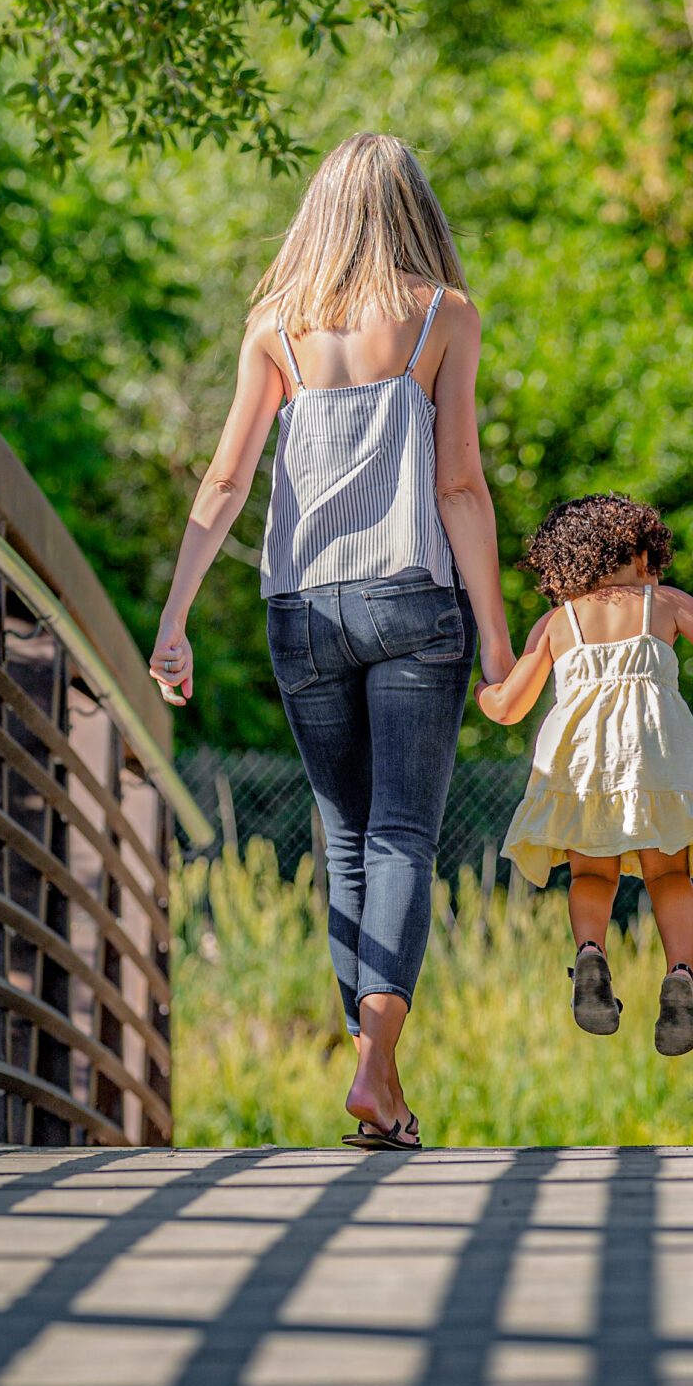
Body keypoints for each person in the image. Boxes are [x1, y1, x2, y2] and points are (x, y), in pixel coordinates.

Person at [150, 132, 514, 1154]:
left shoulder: (276, 325)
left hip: (301, 610)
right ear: (416, 212)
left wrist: (174, 620)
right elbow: (458, 485)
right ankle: (378, 1063)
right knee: (401, 833)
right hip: (411, 600)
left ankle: (374, 1075)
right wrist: (494, 636)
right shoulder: (443, 316)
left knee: (343, 837)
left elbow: (223, 483)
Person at [479, 495, 693, 1058]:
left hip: (583, 764)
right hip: (658, 759)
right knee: (669, 875)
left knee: (593, 875)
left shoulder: (557, 622)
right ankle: (681, 973)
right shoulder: (662, 603)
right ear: (641, 554)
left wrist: (484, 693)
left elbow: (509, 707)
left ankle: (591, 953)